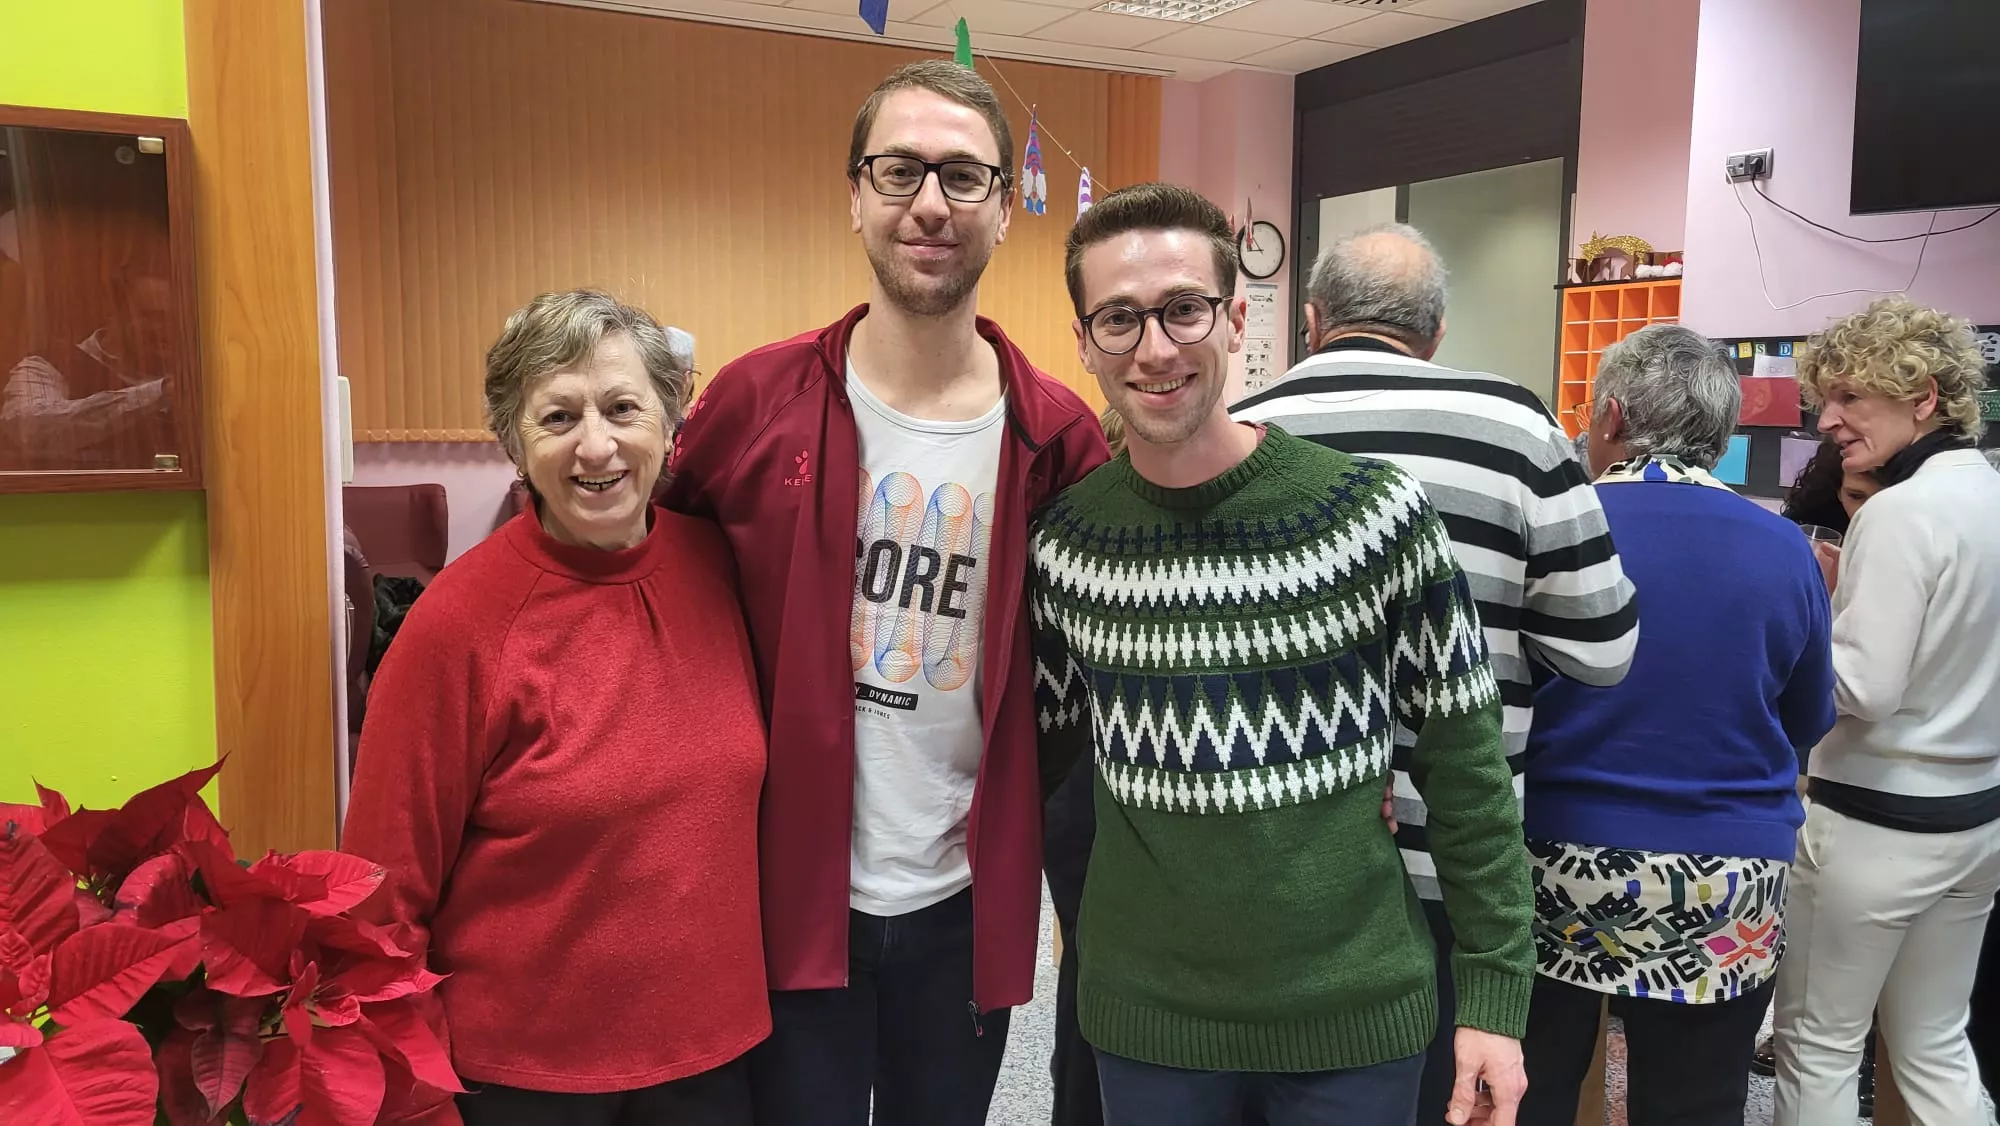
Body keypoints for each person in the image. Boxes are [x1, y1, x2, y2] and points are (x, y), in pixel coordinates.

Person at [662, 60, 1109, 1126]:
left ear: (1006, 207)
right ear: (853, 192)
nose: (928, 204)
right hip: (781, 892)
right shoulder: (752, 402)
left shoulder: (1055, 437)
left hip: (962, 899)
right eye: (900, 169)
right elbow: (651, 590)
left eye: (963, 177)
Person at [1030, 182, 1532, 1126]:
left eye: (1184, 309)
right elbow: (1030, 767)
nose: (1157, 347)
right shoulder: (1065, 545)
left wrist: (1496, 1001)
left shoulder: (1373, 516)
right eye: (1120, 319)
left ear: (1238, 316)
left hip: (1355, 1018)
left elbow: (1468, 775)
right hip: (1148, 1028)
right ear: (1085, 340)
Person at [1231, 222, 1638, 1123]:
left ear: (1310, 320)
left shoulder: (1242, 429)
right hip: (1463, 854)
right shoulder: (1518, 426)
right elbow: (1603, 652)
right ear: (1437, 332)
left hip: (1287, 855)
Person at [343, 290, 767, 1126]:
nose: (597, 445)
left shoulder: (722, 566)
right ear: (514, 439)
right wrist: (417, 1101)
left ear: (670, 423)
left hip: (714, 1061)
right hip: (524, 1082)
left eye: (622, 408)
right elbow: (381, 901)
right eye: (559, 417)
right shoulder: (457, 627)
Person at [1515, 325, 1836, 1126]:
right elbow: (1807, 717)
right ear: (1722, 434)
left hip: (1553, 861)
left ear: (1611, 416)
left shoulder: (1558, 528)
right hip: (1727, 879)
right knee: (1694, 1103)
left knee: (1528, 1085)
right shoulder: (1783, 548)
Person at [1772, 295, 2000, 1126]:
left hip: (1874, 827)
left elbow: (1863, 688)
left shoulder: (1901, 513)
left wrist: (1811, 620)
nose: (1827, 421)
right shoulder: (1990, 493)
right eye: (1824, 399)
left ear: (1925, 397)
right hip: (1975, 823)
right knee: (1937, 1044)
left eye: (1850, 398)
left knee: (1818, 1048)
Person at [1778, 438, 1879, 533]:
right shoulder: (1814, 520)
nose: (1869, 512)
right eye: (1856, 496)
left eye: (1884, 496)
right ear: (1838, 491)